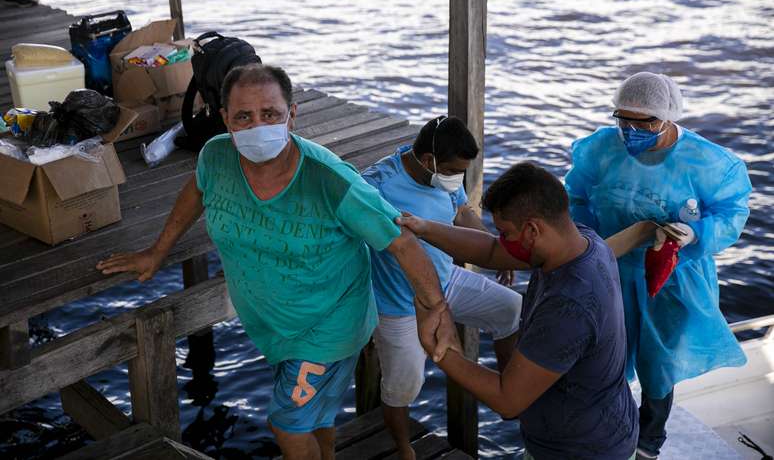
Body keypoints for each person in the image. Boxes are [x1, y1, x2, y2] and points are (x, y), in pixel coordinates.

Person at [96, 64, 458, 460]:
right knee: (315, 420)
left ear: (292, 114)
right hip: (274, 325)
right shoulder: (217, 155)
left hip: (328, 327)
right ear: (226, 120)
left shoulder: (329, 179)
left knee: (286, 425)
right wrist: (157, 251)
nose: (257, 126)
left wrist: (433, 308)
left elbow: (402, 242)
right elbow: (196, 191)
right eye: (244, 117)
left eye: (269, 114)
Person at [565, 71, 752, 459]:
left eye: (644, 121)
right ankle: (606, 427)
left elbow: (732, 211)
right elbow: (575, 198)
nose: (631, 130)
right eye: (624, 119)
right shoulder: (600, 149)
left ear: (668, 117)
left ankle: (648, 441)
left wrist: (696, 233)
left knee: (657, 363)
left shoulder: (709, 163)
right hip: (610, 266)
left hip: (672, 278)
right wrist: (586, 240)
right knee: (603, 352)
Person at [400, 162, 639, 460]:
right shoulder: (580, 241)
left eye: (505, 233)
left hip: (581, 451)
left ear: (532, 230)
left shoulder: (568, 307)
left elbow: (507, 399)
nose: (502, 241)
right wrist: (424, 228)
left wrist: (440, 350)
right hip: (600, 425)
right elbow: (489, 251)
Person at [362, 116, 522, 460]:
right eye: (452, 171)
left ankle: (512, 388)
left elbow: (462, 213)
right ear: (427, 161)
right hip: (399, 304)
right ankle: (404, 448)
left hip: (448, 282)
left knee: (512, 307)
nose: (457, 178)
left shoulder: (446, 174)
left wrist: (498, 251)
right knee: (404, 387)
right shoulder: (378, 184)